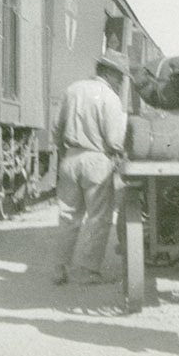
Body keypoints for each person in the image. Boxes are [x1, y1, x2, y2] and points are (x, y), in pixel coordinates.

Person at [52, 50, 131, 285]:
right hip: (97, 160)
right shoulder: (110, 98)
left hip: (70, 158)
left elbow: (57, 128)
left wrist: (63, 150)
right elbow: (115, 140)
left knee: (67, 216)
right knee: (98, 218)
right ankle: (87, 271)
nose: (120, 82)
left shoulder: (72, 89)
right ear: (109, 73)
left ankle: (60, 268)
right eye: (119, 77)